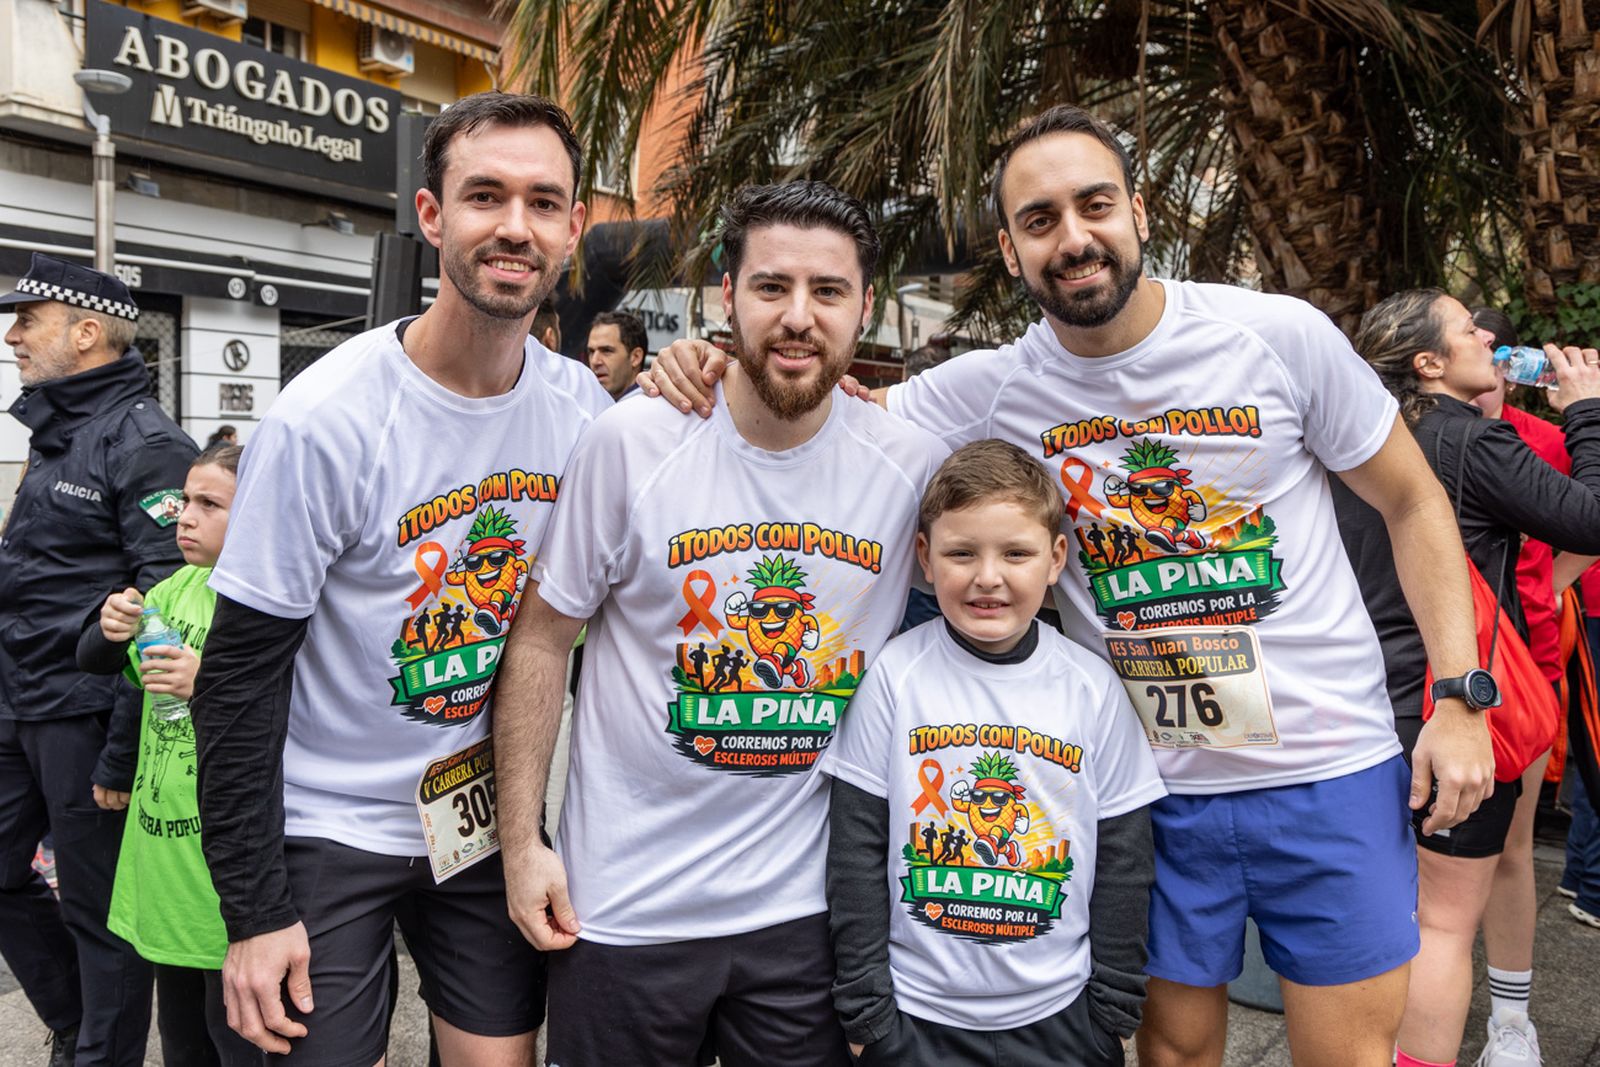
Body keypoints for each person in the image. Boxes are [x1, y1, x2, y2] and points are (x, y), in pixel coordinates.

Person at [642, 104, 1494, 1067]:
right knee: (1173, 1055)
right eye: (1040, 220)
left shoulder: (1275, 335)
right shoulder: (993, 388)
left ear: (1139, 210)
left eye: (1095, 205)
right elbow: (828, 402)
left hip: (1328, 768)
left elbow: (1414, 502)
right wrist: (708, 359)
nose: (1074, 237)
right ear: (1011, 251)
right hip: (1154, 789)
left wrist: (1461, 696)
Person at [188, 91, 611, 1064]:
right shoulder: (325, 419)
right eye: (485, 196)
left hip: (475, 817)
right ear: (431, 215)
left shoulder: (584, 411)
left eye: (543, 202)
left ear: (572, 227)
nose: (515, 226)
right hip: (325, 821)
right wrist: (254, 910)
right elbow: (238, 676)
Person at [492, 180, 948, 1066]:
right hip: (623, 907)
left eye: (828, 290)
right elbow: (542, 638)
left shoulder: (910, 466)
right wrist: (522, 843)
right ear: (727, 295)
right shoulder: (632, 441)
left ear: (865, 308)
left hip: (803, 914)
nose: (798, 316)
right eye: (772, 286)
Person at [823, 439, 1165, 1065]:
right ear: (925, 557)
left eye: (1016, 553)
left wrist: (1113, 1010)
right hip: (916, 1017)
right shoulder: (895, 676)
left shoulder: (1091, 686)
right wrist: (867, 1012)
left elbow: (1125, 857)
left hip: (1062, 1017)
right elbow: (856, 848)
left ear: (1055, 558)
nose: (987, 576)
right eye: (961, 553)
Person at [1332, 289, 1600, 1067]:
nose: (1487, 337)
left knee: (1380, 914)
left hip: (1358, 703)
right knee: (1443, 923)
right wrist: (1586, 412)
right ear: (1428, 362)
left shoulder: (1355, 439)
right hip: (1449, 711)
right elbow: (1590, 521)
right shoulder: (1472, 440)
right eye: (1466, 329)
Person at [0, 252, 198, 1066]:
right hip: (18, 701)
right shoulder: (55, 434)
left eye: (28, 320)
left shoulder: (148, 443)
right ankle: (76, 1022)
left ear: (86, 333)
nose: (12, 335)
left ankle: (95, 1052)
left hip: (86, 715)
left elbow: (168, 611)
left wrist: (121, 750)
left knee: (100, 915)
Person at [76, 442, 263, 1067]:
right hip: (163, 869)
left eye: (209, 504)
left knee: (236, 1039)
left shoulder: (267, 599)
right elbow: (99, 663)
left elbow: (297, 706)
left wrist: (205, 681)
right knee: (182, 1043)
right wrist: (109, 629)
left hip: (224, 878)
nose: (185, 516)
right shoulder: (175, 588)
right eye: (185, 500)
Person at [1468, 305, 1565, 1064]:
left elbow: (1587, 522)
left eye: (1496, 350)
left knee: (1511, 845)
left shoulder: (1547, 441)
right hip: (1426, 669)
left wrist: (1545, 587)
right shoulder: (1409, 432)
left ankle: (1509, 1022)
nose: (1487, 360)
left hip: (1525, 667)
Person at [585, 308, 647, 399]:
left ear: (636, 357)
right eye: (591, 352)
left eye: (606, 350)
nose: (595, 361)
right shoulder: (587, 401)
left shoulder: (654, 404)